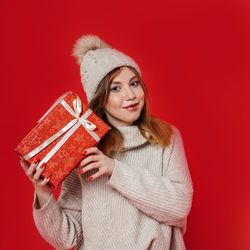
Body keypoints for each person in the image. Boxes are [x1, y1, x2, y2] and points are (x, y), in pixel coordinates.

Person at [19, 34, 194, 250]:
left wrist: (115, 170)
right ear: (100, 98)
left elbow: (179, 207)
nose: (130, 95)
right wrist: (43, 192)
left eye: (134, 83)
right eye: (115, 88)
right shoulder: (83, 147)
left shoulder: (167, 137)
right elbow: (68, 238)